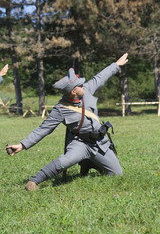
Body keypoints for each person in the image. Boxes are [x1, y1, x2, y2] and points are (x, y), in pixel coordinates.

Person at [6, 53, 128, 191]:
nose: (84, 85)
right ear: (73, 92)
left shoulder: (86, 89)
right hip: (80, 143)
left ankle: (88, 163)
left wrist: (116, 65)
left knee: (117, 175)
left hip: (99, 143)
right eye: (80, 85)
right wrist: (22, 145)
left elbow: (100, 77)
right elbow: (43, 129)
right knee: (66, 161)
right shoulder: (60, 109)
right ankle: (34, 181)